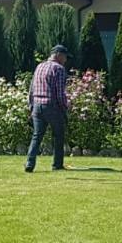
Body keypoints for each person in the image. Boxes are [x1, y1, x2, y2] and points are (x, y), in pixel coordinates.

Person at [25, 44, 70, 172]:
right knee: (58, 135)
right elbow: (60, 92)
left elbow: (31, 89)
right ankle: (57, 165)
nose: (65, 60)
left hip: (37, 105)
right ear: (58, 55)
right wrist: (64, 108)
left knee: (37, 135)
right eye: (65, 56)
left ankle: (30, 162)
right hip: (52, 106)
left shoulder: (39, 66)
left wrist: (31, 105)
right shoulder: (59, 69)